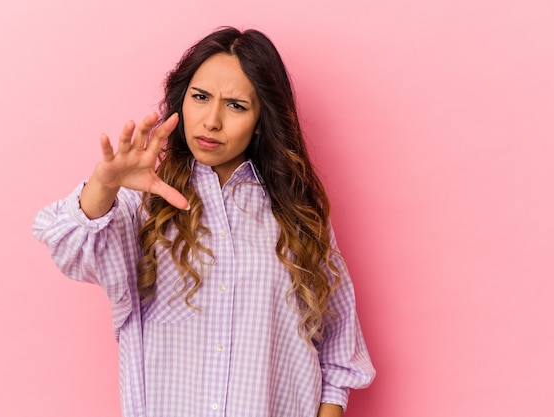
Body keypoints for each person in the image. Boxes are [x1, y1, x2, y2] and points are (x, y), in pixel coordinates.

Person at [33, 27, 375, 417]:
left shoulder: (299, 214)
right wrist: (103, 185)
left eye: (236, 106)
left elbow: (337, 350)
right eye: (200, 98)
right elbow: (68, 247)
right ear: (182, 103)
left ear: (262, 119)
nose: (211, 120)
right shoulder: (143, 204)